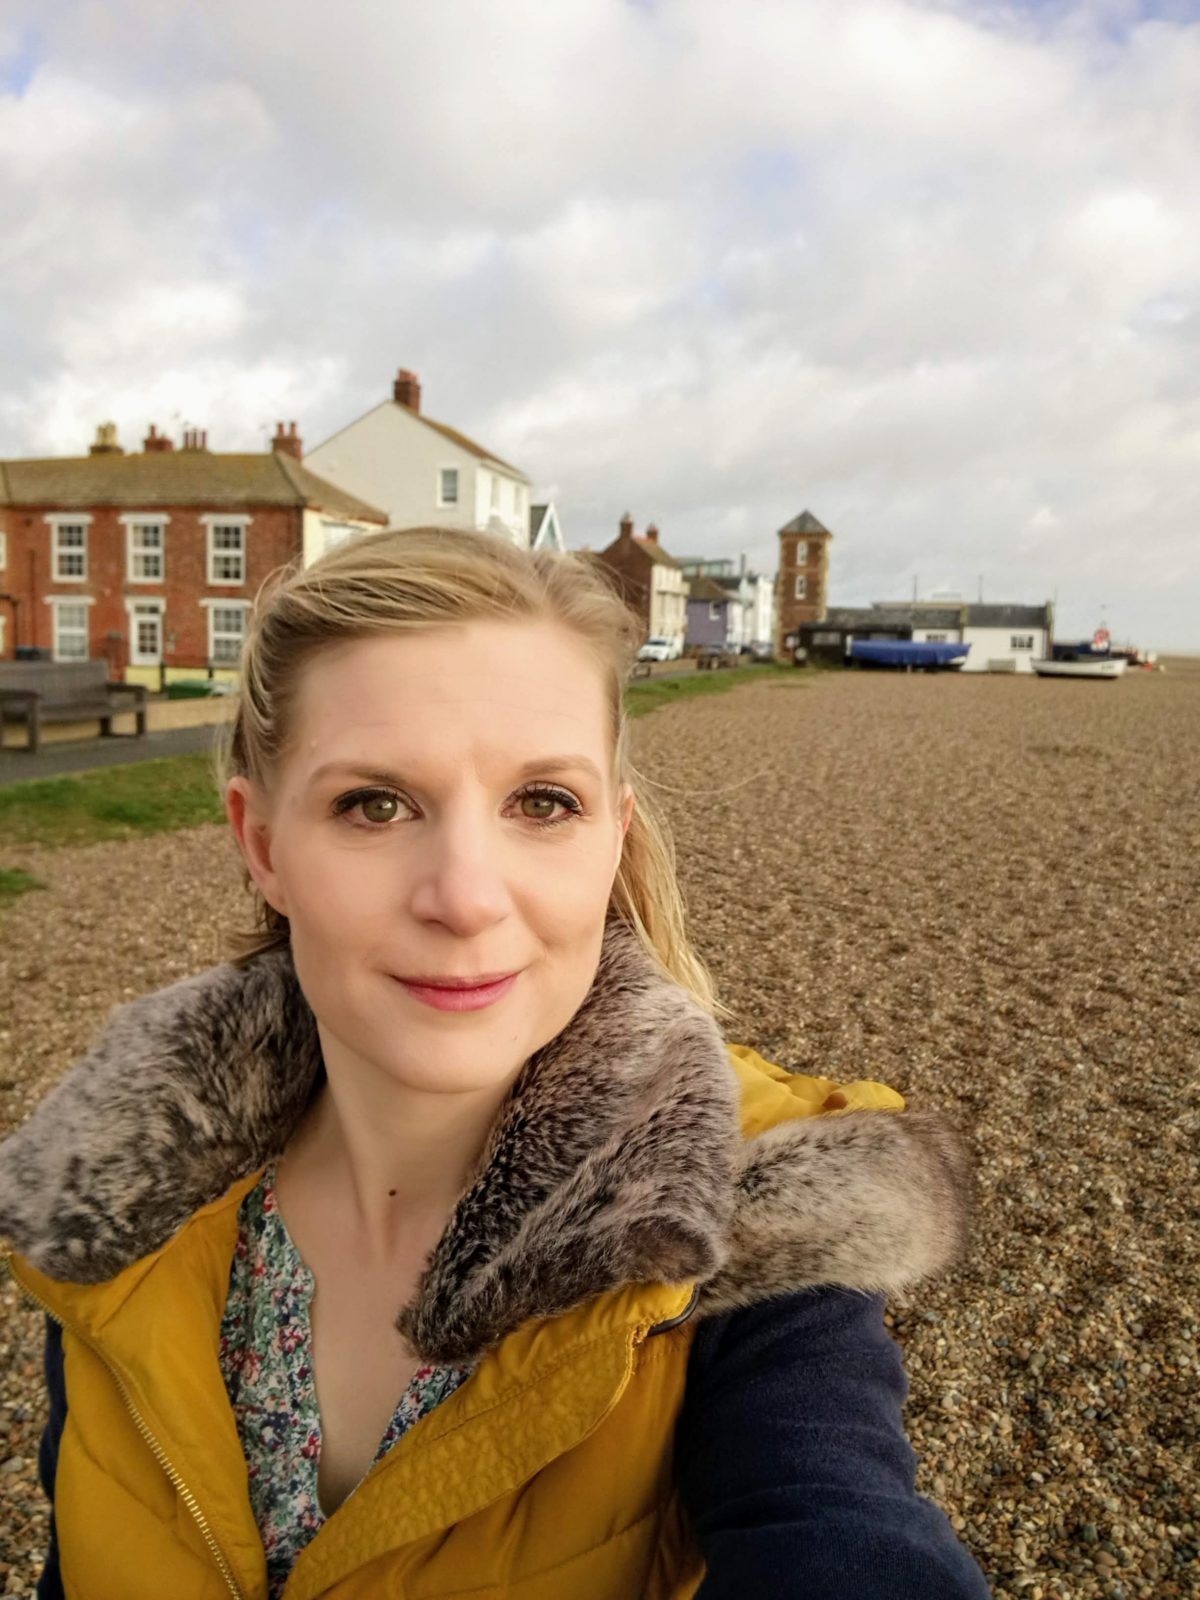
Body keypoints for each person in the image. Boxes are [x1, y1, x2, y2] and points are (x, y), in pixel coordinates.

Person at [0, 527, 992, 1599]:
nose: (466, 895)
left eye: (542, 803)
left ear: (612, 836)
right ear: (264, 845)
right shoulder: (124, 1198)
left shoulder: (741, 1216)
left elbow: (841, 1521)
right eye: (375, 804)